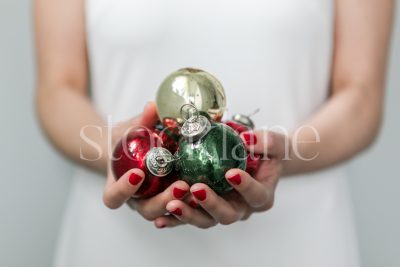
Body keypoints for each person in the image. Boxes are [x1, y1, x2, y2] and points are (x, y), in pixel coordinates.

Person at [34, 0, 394, 266]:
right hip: (114, 244)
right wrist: (122, 156)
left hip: (299, 238)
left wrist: (281, 150)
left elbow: (361, 97)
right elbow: (57, 90)